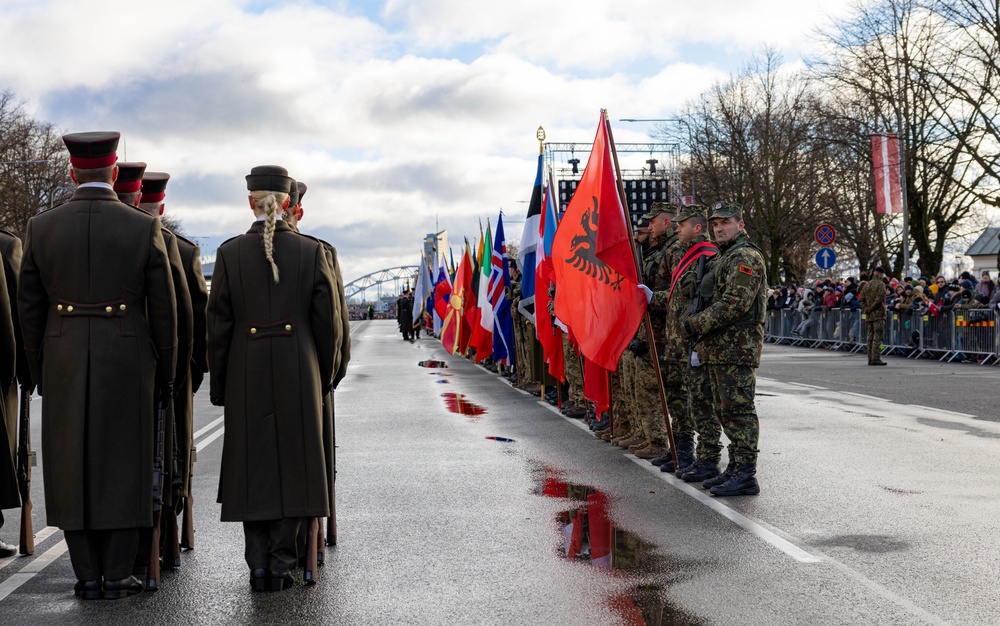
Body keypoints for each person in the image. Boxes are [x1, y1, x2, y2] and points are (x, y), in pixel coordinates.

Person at [18, 131, 177, 598]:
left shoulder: (40, 228)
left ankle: (85, 574)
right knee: (124, 461)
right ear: (113, 173)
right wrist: (166, 371)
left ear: (72, 173)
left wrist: (36, 369)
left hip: (63, 355)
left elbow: (29, 309)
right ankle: (116, 571)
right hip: (127, 353)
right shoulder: (141, 226)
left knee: (72, 461)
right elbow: (163, 308)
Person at [208, 165, 336, 592]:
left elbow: (219, 328)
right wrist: (324, 376)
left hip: (246, 368)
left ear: (250, 202)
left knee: (253, 466)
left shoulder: (228, 254)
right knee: (295, 466)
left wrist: (221, 385)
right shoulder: (311, 252)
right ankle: (282, 562)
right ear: (288, 204)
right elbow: (328, 327)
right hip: (299, 368)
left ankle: (258, 564)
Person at [683, 202, 765, 496]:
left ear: (740, 224)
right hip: (720, 348)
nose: (718, 228)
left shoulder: (745, 256)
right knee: (724, 409)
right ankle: (735, 466)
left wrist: (696, 324)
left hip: (736, 347)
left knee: (738, 409)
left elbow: (736, 303)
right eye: (715, 224)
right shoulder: (724, 257)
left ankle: (746, 473)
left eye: (725, 223)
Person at [859, 267, 887, 365]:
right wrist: (871, 308)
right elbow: (879, 299)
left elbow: (861, 299)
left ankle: (870, 358)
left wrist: (865, 308)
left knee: (869, 336)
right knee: (877, 336)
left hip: (869, 315)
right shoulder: (881, 284)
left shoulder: (867, 285)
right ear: (881, 275)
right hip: (878, 314)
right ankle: (875, 358)